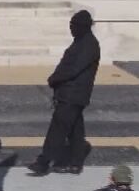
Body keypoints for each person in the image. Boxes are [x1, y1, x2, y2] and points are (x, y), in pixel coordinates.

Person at [29, 10, 101, 176]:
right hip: (71, 95)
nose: (71, 29)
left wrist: (55, 79)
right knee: (76, 131)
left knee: (58, 129)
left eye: (73, 26)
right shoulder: (82, 42)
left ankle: (43, 162)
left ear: (82, 26)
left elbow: (72, 69)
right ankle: (76, 164)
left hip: (72, 95)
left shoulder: (88, 45)